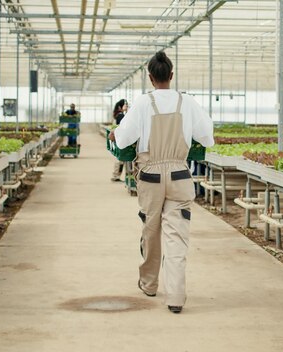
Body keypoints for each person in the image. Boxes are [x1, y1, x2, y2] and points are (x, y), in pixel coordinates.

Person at [109, 51, 214, 314]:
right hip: (179, 174)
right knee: (176, 234)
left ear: (150, 77)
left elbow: (122, 141)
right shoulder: (187, 102)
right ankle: (176, 296)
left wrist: (115, 133)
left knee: (151, 230)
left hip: (150, 177)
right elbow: (207, 137)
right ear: (171, 75)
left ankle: (150, 283)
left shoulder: (143, 103)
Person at [111, 99, 128, 182]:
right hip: (120, 138)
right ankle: (116, 175)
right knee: (120, 159)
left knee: (120, 158)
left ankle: (116, 175)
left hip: (118, 138)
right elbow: (123, 127)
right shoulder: (120, 115)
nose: (127, 106)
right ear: (120, 107)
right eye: (125, 105)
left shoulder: (117, 115)